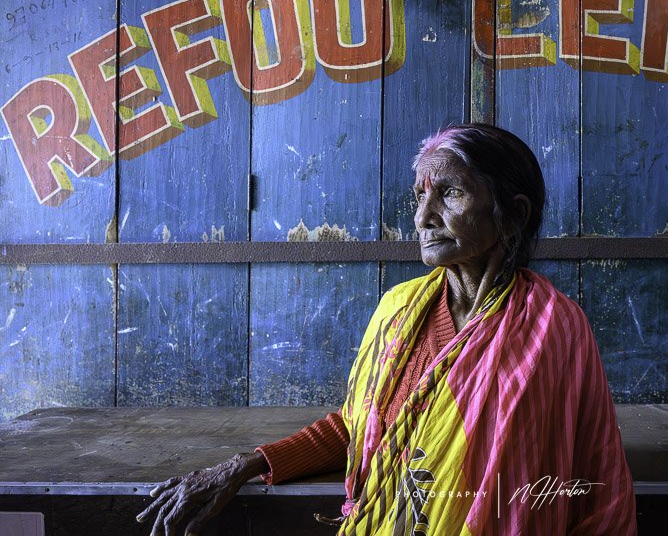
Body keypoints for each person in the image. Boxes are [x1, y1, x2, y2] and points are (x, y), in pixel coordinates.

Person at [136, 123, 637, 535]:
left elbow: (584, 473)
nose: (424, 217)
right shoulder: (399, 311)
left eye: (451, 193)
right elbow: (359, 426)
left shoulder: (553, 328)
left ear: (513, 215)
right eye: (420, 196)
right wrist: (242, 465)